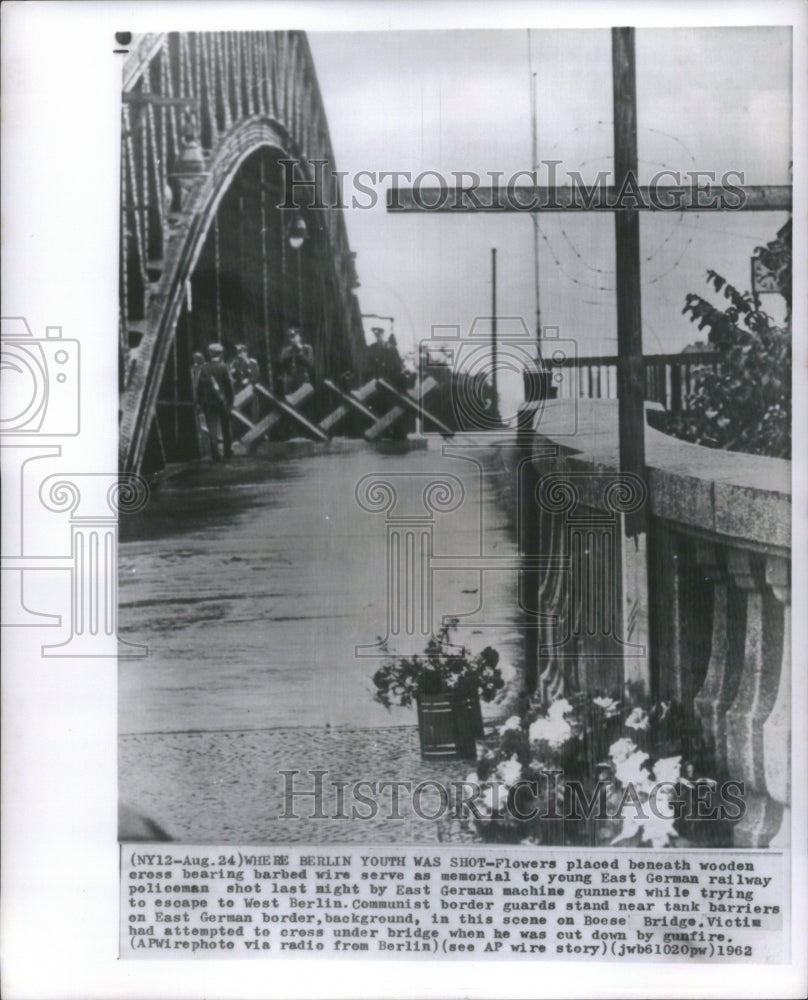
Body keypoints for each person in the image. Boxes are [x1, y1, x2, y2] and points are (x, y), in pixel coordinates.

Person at [195, 343, 234, 461]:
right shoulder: (224, 367)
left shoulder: (204, 368)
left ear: (209, 353)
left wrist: (200, 401)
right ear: (221, 354)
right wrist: (230, 402)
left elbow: (200, 387)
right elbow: (229, 386)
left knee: (212, 427)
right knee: (226, 427)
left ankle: (215, 453)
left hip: (209, 402)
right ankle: (227, 451)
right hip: (223, 402)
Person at [279, 327, 314, 397]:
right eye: (290, 337)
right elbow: (281, 365)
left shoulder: (307, 348)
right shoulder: (286, 350)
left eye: (294, 336)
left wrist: (300, 351)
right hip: (290, 382)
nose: (292, 339)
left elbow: (310, 364)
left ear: (299, 337)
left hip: (302, 380)